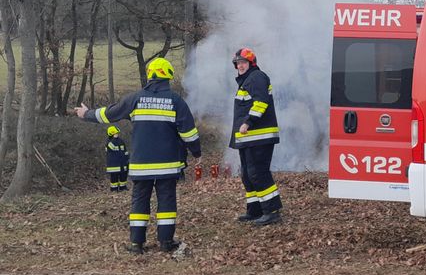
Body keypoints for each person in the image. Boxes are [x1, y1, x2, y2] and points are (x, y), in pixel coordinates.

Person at [76, 57, 201, 254]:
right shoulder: (176, 101)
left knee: (139, 200)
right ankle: (166, 242)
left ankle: (136, 244)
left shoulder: (135, 98)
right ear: (168, 76)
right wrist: (196, 152)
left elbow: (109, 114)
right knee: (166, 202)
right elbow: (189, 133)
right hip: (167, 166)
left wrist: (87, 114)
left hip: (141, 165)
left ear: (150, 75)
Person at [230, 47, 281, 226]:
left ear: (251, 63)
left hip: (259, 136)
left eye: (243, 63)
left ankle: (272, 210)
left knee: (258, 173)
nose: (240, 66)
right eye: (238, 63)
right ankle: (255, 210)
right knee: (247, 175)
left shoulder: (257, 77)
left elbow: (261, 102)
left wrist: (248, 122)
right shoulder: (246, 81)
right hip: (249, 139)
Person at [105, 125, 129, 192]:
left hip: (122, 162)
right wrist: (114, 139)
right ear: (111, 134)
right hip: (114, 164)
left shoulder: (121, 141)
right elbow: (113, 150)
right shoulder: (109, 142)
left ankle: (123, 187)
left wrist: (127, 158)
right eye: (115, 133)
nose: (117, 134)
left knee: (123, 176)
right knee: (114, 177)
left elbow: (124, 150)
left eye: (117, 133)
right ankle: (114, 189)